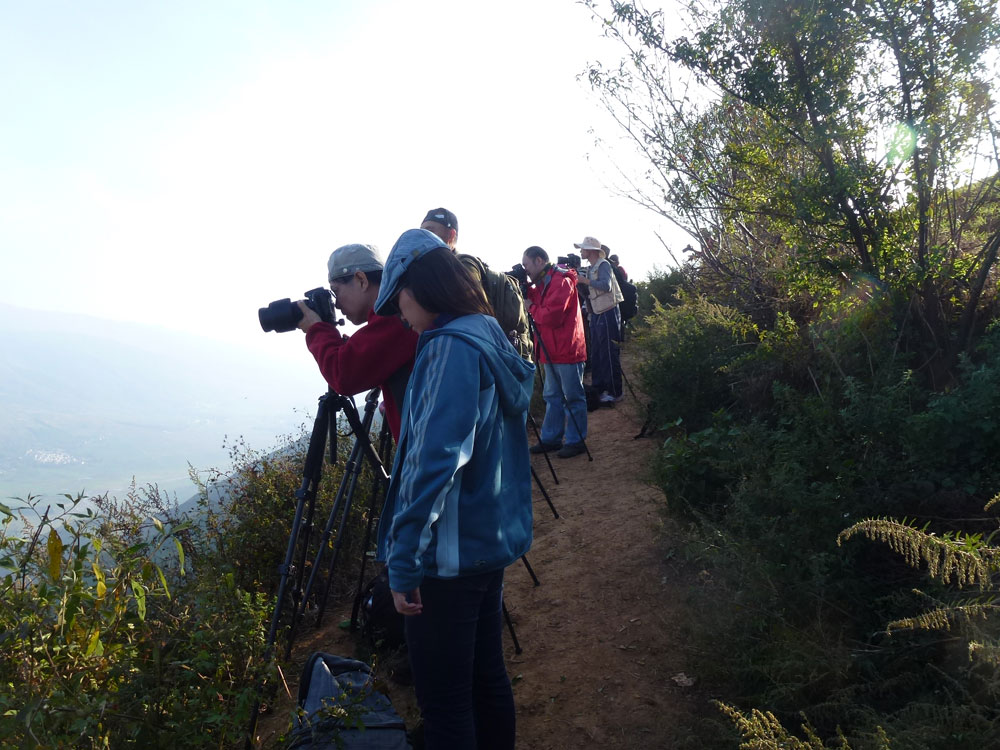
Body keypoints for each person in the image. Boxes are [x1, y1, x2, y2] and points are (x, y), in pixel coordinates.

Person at [373, 228, 534, 750]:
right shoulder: (486, 331)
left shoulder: (448, 349)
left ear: (420, 287)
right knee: (487, 679)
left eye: (399, 298)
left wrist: (403, 562)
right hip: (488, 545)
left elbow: (433, 463)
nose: (401, 314)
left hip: (447, 558)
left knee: (444, 704)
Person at [295, 243, 419, 441]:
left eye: (336, 291)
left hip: (424, 457)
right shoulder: (398, 314)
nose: (336, 303)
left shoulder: (397, 317)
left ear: (361, 280)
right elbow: (370, 353)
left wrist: (316, 330)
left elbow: (343, 375)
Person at [420, 207, 533, 360]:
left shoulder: (463, 265)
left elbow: (466, 308)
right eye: (422, 231)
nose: (424, 236)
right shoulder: (437, 271)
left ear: (451, 235)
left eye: (430, 230)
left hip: (491, 357)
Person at [520, 246, 588, 458]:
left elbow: (552, 316)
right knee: (552, 396)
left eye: (526, 265)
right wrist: (521, 286)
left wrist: (530, 306)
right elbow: (536, 301)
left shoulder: (561, 280)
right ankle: (551, 439)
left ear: (539, 260)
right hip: (550, 349)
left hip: (567, 349)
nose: (525, 269)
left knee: (573, 397)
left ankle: (576, 441)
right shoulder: (542, 283)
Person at [575, 236, 625, 404]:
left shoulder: (604, 265)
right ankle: (600, 388)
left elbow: (606, 285)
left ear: (590, 250)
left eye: (583, 248)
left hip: (608, 312)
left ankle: (615, 391)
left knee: (609, 353)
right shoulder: (592, 267)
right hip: (597, 312)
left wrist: (584, 280)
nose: (581, 251)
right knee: (597, 352)